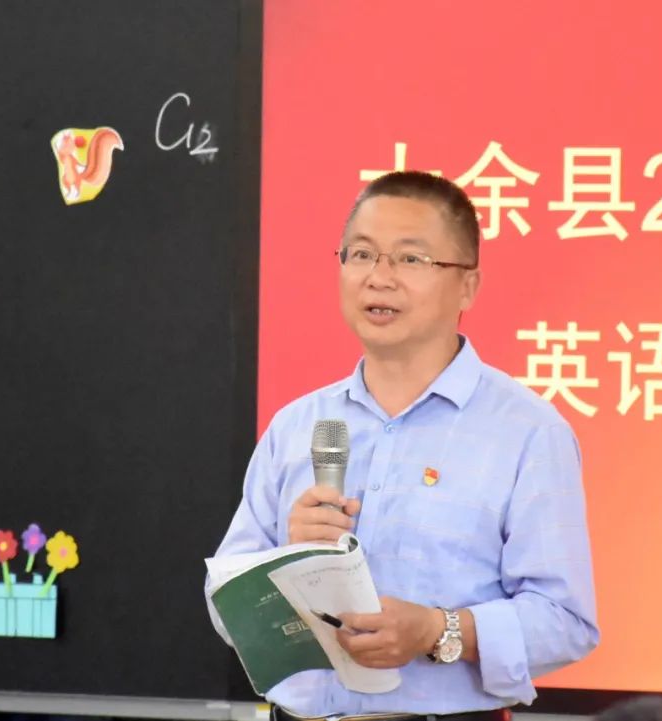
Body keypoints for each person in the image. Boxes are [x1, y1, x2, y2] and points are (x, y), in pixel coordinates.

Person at [206, 171, 598, 720]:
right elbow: (225, 611)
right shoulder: (297, 425)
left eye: (411, 259)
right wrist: (285, 562)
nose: (379, 278)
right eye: (362, 254)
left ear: (467, 286)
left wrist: (439, 630)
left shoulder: (528, 432)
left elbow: (565, 622)